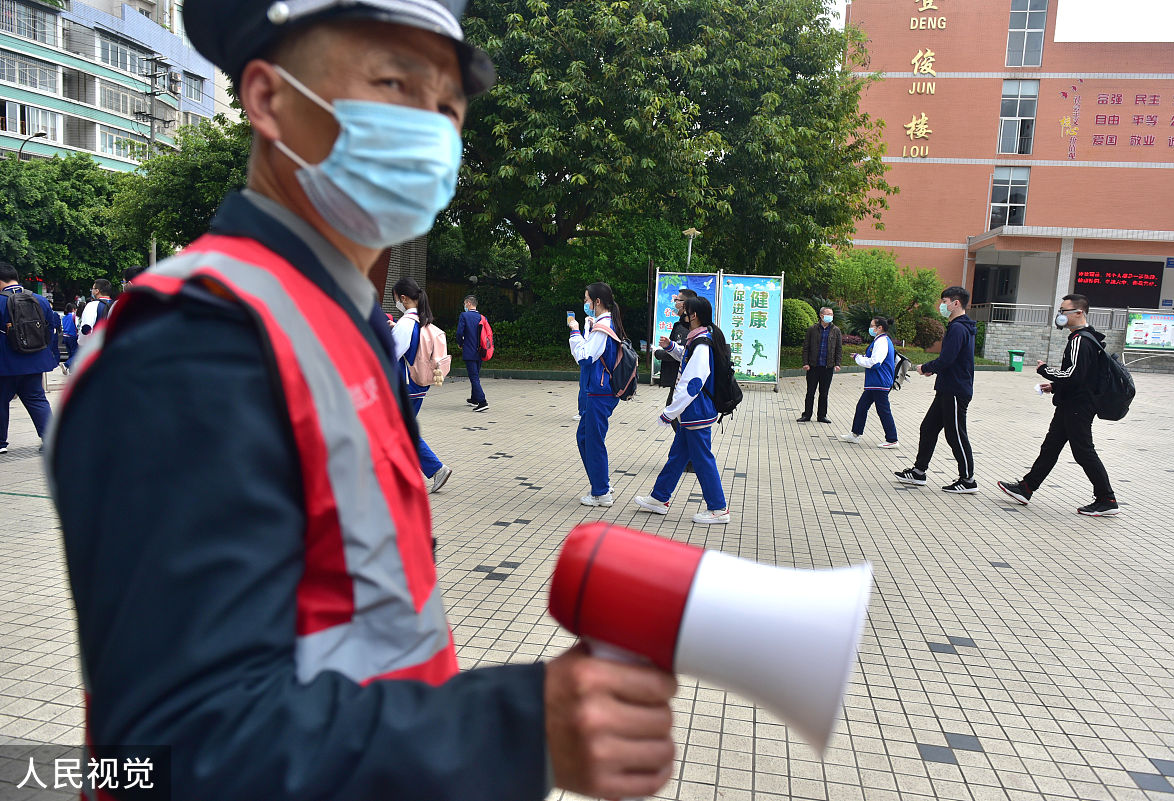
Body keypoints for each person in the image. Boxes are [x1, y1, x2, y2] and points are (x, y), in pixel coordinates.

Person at [47, 3, 677, 799]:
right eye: (396, 84)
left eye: (449, 106)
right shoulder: (197, 345)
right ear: (269, 99)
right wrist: (517, 728)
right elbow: (174, 753)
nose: (434, 127)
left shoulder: (335, 317)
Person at [998, 293, 1119, 516]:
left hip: (1077, 407)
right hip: (1071, 403)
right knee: (1051, 447)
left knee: (1084, 452)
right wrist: (1055, 387)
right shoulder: (1087, 338)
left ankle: (1107, 498)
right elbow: (1083, 376)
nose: (1060, 315)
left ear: (1079, 312)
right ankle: (1026, 488)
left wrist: (1045, 370)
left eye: (1064, 311)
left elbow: (1072, 374)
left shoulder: (1080, 340)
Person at [634, 296, 730, 524]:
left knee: (703, 459)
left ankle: (718, 508)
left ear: (693, 315)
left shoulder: (702, 343)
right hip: (692, 413)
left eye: (684, 310)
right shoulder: (698, 339)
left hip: (696, 412)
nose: (681, 312)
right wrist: (671, 348)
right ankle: (659, 498)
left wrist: (670, 411)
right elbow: (687, 361)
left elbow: (693, 382)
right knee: (677, 456)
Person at [894, 286, 978, 494]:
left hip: (956, 390)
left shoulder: (959, 328)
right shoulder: (957, 326)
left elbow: (948, 359)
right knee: (928, 428)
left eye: (944, 301)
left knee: (956, 434)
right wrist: (935, 370)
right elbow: (951, 359)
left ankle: (968, 480)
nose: (942, 305)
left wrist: (927, 368)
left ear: (956, 303)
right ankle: (919, 471)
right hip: (947, 388)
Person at [568, 281, 626, 507]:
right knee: (585, 438)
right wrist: (585, 329)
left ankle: (601, 492)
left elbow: (585, 357)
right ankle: (601, 483)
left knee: (593, 441)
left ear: (597, 302)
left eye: (586, 300)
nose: (585, 303)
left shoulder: (603, 327)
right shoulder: (605, 323)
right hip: (600, 391)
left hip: (599, 393)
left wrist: (574, 331)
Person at [392, 278, 452, 493]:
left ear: (403, 298)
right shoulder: (420, 321)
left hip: (404, 385)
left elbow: (391, 353)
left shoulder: (406, 324)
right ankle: (430, 470)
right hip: (417, 385)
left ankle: (435, 469)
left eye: (396, 299)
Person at [0, 261, 60, 454]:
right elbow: (51, 327)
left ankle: (1, 442)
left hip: (5, 363)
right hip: (34, 360)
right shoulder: (39, 300)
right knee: (36, 399)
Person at [838, 316, 899, 448]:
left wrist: (858, 358)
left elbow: (875, 362)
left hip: (880, 382)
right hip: (875, 383)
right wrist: (862, 357)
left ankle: (892, 439)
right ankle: (855, 434)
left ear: (879, 328)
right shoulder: (879, 341)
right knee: (862, 407)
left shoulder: (882, 342)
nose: (870, 328)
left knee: (883, 410)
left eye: (872, 326)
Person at [797, 306, 842, 423]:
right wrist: (805, 363)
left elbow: (838, 349)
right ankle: (807, 414)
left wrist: (837, 363)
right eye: (828, 314)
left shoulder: (836, 330)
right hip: (813, 366)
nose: (830, 316)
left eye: (831, 314)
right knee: (810, 392)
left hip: (828, 366)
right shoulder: (812, 329)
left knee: (824, 393)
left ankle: (822, 416)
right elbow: (806, 347)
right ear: (821, 315)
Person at [456, 294, 488, 412]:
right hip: (481, 351)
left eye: (465, 304)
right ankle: (474, 398)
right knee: (476, 375)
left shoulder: (464, 315)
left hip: (469, 351)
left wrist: (460, 343)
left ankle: (482, 401)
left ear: (468, 303)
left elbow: (460, 332)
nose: (464, 306)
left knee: (473, 377)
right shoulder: (482, 317)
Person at [77, 278, 114, 346]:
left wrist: (82, 344)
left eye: (93, 289)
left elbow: (86, 329)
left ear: (97, 291)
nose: (92, 291)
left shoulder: (92, 305)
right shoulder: (117, 305)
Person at [60, 302, 79, 374]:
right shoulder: (74, 316)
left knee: (70, 353)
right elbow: (77, 326)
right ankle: (66, 364)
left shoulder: (64, 317)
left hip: (65, 336)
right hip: (72, 336)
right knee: (76, 354)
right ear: (74, 309)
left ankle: (71, 369)